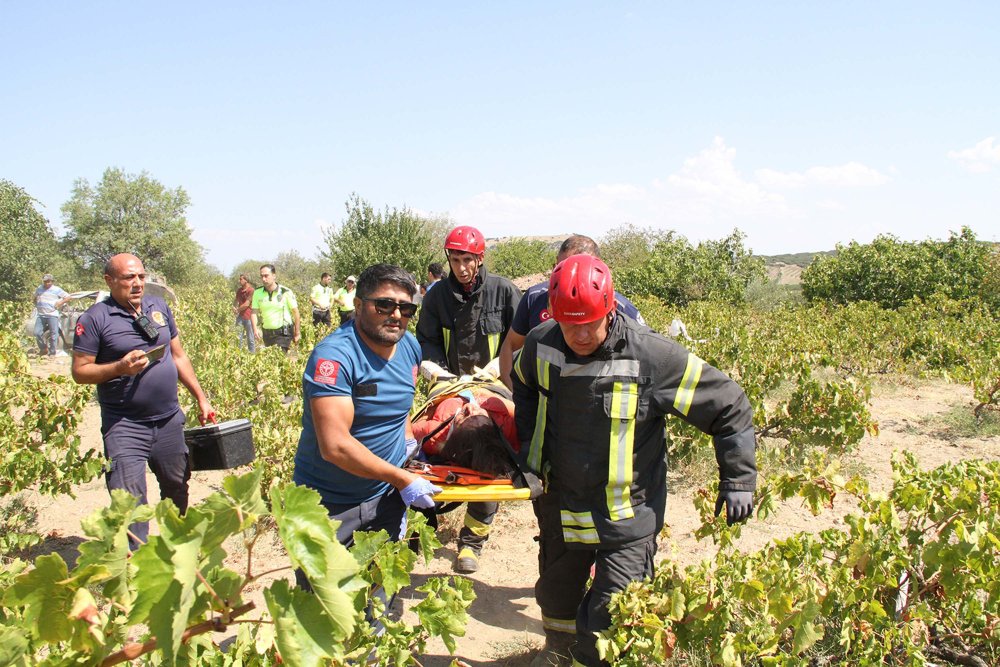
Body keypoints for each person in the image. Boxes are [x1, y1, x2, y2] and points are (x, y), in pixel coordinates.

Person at [512, 255, 756, 667]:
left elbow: (728, 404)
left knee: (610, 620)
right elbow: (523, 384)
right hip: (563, 507)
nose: (581, 334)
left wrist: (738, 480)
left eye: (591, 321)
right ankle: (557, 651)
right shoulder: (541, 343)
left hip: (627, 517)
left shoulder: (652, 356)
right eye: (570, 324)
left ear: (610, 308)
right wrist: (532, 455)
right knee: (557, 595)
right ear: (553, 315)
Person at [71, 253, 214, 551]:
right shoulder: (95, 318)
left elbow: (178, 355)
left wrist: (201, 397)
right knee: (129, 499)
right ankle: (136, 567)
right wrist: (119, 368)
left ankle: (178, 550)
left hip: (168, 420)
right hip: (125, 426)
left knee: (177, 486)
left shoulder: (157, 307)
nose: (137, 284)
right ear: (110, 281)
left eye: (140, 277)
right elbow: (80, 372)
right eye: (128, 278)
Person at [292, 263, 437, 553]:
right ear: (358, 305)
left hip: (386, 498)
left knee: (380, 593)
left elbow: (400, 407)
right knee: (328, 594)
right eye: (384, 305)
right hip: (330, 505)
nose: (396, 315)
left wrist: (409, 444)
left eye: (406, 309)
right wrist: (402, 479)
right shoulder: (334, 358)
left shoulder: (409, 347)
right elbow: (334, 446)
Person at [416, 224, 521, 574]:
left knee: (492, 454)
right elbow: (427, 341)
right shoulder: (435, 298)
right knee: (430, 450)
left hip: (492, 385)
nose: (461, 267)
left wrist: (499, 367)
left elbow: (521, 340)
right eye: (455, 259)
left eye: (468, 260)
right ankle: (423, 524)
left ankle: (472, 542)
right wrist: (437, 372)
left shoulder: (504, 292)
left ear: (480, 258)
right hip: (448, 385)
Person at [499, 234, 644, 390]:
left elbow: (647, 362)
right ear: (555, 265)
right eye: (563, 268)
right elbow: (510, 345)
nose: (570, 277)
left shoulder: (621, 308)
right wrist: (515, 395)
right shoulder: (534, 298)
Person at [250, 264, 300, 351]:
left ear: (274, 276)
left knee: (280, 359)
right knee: (269, 361)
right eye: (261, 276)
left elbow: (296, 313)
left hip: (284, 333)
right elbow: (254, 313)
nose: (263, 279)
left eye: (266, 276)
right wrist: (255, 329)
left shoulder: (285, 292)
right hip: (267, 333)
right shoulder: (257, 293)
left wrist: (297, 332)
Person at [34, 273, 71, 357]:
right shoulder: (39, 288)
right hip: (41, 314)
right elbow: (34, 297)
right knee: (37, 332)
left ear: (52, 281)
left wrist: (59, 303)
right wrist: (37, 304)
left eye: (48, 281)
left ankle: (52, 352)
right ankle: (43, 349)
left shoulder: (56, 289)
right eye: (45, 282)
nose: (47, 283)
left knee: (54, 333)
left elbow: (68, 297)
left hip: (52, 314)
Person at [234, 273, 256, 353]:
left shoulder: (251, 290)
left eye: (241, 279)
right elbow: (236, 300)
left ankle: (252, 356)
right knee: (237, 337)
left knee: (250, 338)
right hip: (240, 316)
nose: (239, 281)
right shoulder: (239, 290)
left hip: (249, 317)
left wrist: (237, 310)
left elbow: (247, 304)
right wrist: (234, 307)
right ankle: (237, 355)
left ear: (246, 280)